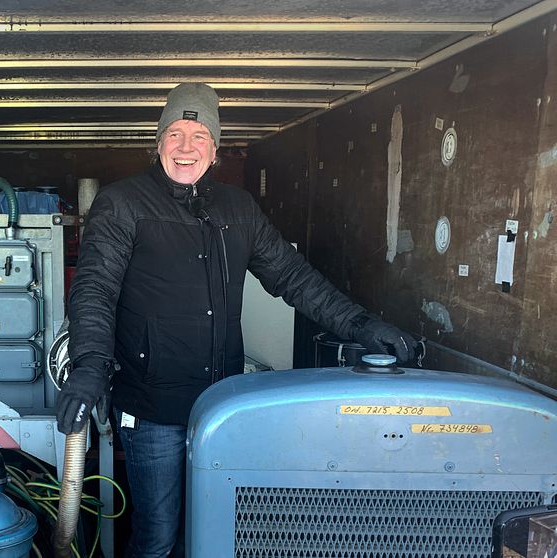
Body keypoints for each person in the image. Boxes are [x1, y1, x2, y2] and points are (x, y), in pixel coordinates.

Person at [55, 83, 417, 557]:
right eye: (176, 134)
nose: (186, 148)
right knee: (158, 535)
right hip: (152, 408)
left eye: (200, 135)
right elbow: (95, 288)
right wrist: (90, 366)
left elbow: (293, 278)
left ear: (216, 148)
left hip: (223, 407)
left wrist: (363, 325)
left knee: (220, 528)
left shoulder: (237, 209)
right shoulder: (123, 204)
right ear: (158, 141)